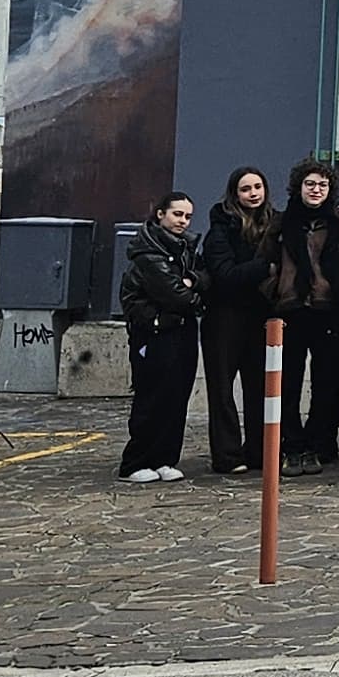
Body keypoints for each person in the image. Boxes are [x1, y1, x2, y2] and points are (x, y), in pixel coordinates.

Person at [273, 160, 339, 473]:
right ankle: (292, 445)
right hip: (291, 310)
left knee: (326, 383)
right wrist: (276, 288)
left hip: (330, 310)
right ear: (298, 187)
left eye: (322, 185)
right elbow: (263, 262)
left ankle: (317, 443)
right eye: (310, 184)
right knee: (288, 382)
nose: (316, 190)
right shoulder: (283, 222)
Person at [200, 166, 284, 477]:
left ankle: (259, 452)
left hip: (262, 317)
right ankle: (227, 455)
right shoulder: (220, 231)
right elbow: (226, 276)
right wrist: (265, 266)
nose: (253, 193)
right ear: (235, 194)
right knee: (222, 389)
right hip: (224, 317)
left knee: (259, 388)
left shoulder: (275, 224)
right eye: (246, 188)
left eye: (258, 187)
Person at [117, 192, 203, 483]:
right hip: (153, 333)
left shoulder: (185, 247)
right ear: (160, 214)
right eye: (177, 214)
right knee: (151, 397)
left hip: (182, 330)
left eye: (187, 216)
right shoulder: (148, 253)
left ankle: (165, 458)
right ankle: (135, 461)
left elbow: (205, 277)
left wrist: (194, 283)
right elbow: (176, 294)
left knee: (177, 397)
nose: (182, 221)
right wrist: (192, 291)